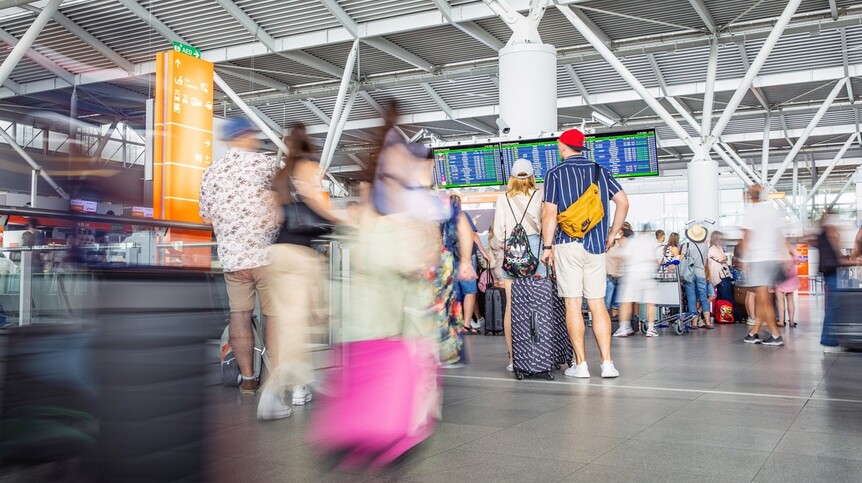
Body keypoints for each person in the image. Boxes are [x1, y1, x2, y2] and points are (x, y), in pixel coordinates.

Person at [256, 124, 339, 420]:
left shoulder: (279, 174)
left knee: (293, 323)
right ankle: (275, 390)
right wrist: (342, 221)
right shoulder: (307, 166)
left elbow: (270, 218)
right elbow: (317, 203)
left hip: (276, 255)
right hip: (299, 255)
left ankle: (301, 381)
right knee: (302, 324)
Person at [199, 117, 280, 396]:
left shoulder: (212, 172)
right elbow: (285, 203)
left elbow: (206, 216)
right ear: (247, 136)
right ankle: (272, 378)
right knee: (275, 317)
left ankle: (247, 381)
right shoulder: (267, 165)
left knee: (240, 316)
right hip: (268, 256)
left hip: (233, 259)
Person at [541, 128, 629, 379]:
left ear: (563, 146)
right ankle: (608, 363)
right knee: (597, 304)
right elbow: (623, 203)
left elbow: (549, 214)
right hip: (596, 246)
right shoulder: (601, 172)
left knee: (572, 301)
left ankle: (581, 365)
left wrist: (547, 248)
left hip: (567, 244)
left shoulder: (555, 173)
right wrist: (612, 235)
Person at [493, 158, 544, 372]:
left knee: (512, 308)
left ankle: (515, 359)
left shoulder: (503, 198)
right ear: (532, 176)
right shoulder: (540, 195)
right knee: (538, 305)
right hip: (536, 249)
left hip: (512, 252)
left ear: (512, 177)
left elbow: (498, 232)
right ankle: (540, 355)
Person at [740, 185, 785, 346]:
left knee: (764, 299)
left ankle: (775, 334)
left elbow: (746, 237)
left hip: (759, 259)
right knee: (762, 298)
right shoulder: (771, 210)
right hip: (772, 259)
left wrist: (744, 261)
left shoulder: (751, 211)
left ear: (750, 196)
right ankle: (754, 333)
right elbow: (780, 234)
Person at [615, 229, 661, 337]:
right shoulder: (650, 243)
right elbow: (655, 260)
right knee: (650, 302)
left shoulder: (632, 242)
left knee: (626, 301)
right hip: (646, 274)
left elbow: (624, 257)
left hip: (632, 274)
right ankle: (650, 329)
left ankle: (624, 327)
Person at [682, 224, 714, 329]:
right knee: (703, 298)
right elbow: (705, 262)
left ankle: (694, 322)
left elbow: (681, 259)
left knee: (692, 298)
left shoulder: (686, 245)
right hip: (701, 274)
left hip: (689, 275)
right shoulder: (705, 245)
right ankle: (708, 322)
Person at [775, 242, 799, 328]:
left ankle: (781, 321)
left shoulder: (778, 250)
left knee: (780, 300)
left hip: (781, 276)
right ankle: (792, 321)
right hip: (792, 276)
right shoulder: (791, 249)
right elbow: (796, 260)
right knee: (790, 299)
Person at [708, 231, 734, 303]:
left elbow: (724, 258)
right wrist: (724, 258)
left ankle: (721, 313)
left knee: (722, 297)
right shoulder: (712, 249)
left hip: (723, 275)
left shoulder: (718, 248)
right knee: (726, 298)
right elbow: (722, 258)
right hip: (720, 276)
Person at [605, 230, 625, 318]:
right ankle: (606, 323)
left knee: (616, 304)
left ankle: (613, 325)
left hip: (620, 278)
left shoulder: (619, 245)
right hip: (609, 277)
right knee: (607, 303)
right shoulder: (605, 247)